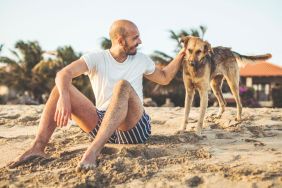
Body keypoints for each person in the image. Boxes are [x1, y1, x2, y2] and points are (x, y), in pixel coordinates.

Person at [8, 19, 185, 172]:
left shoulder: (141, 59)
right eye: (135, 37)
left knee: (123, 86)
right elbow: (63, 73)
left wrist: (181, 54)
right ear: (120, 40)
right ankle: (38, 147)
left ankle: (92, 151)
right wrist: (63, 97)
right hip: (103, 125)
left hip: (133, 128)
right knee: (60, 88)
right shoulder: (97, 58)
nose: (140, 41)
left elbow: (164, 77)